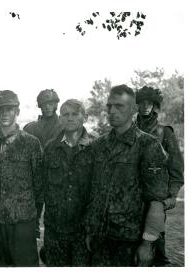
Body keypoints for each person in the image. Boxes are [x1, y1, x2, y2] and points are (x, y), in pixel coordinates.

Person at [85, 84, 169, 267]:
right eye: (109, 106)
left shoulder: (148, 145)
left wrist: (147, 243)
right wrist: (91, 231)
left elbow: (156, 202)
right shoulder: (99, 146)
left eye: (119, 106)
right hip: (100, 239)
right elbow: (94, 192)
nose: (112, 111)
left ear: (132, 109)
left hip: (130, 242)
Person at [0, 90, 43, 266]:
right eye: (0, 109)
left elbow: (39, 184)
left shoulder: (31, 143)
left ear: (17, 111)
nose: (4, 113)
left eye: (9, 109)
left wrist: (35, 218)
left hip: (22, 221)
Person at [43, 99, 96, 266]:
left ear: (85, 117)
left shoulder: (96, 146)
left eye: (75, 114)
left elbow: (101, 189)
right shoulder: (51, 148)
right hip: (55, 228)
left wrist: (93, 227)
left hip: (84, 230)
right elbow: (43, 185)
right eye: (65, 114)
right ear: (60, 118)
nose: (70, 118)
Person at [136, 85, 184, 266]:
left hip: (156, 196)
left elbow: (176, 167)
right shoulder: (128, 130)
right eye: (142, 103)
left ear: (155, 105)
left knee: (156, 241)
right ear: (137, 105)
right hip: (131, 196)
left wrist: (172, 194)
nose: (146, 106)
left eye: (149, 103)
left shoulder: (165, 132)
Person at [23, 89, 63, 239]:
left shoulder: (65, 127)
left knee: (57, 218)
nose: (47, 107)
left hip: (58, 176)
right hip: (35, 176)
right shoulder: (30, 128)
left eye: (51, 103)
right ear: (39, 105)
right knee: (33, 213)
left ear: (56, 105)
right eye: (44, 104)